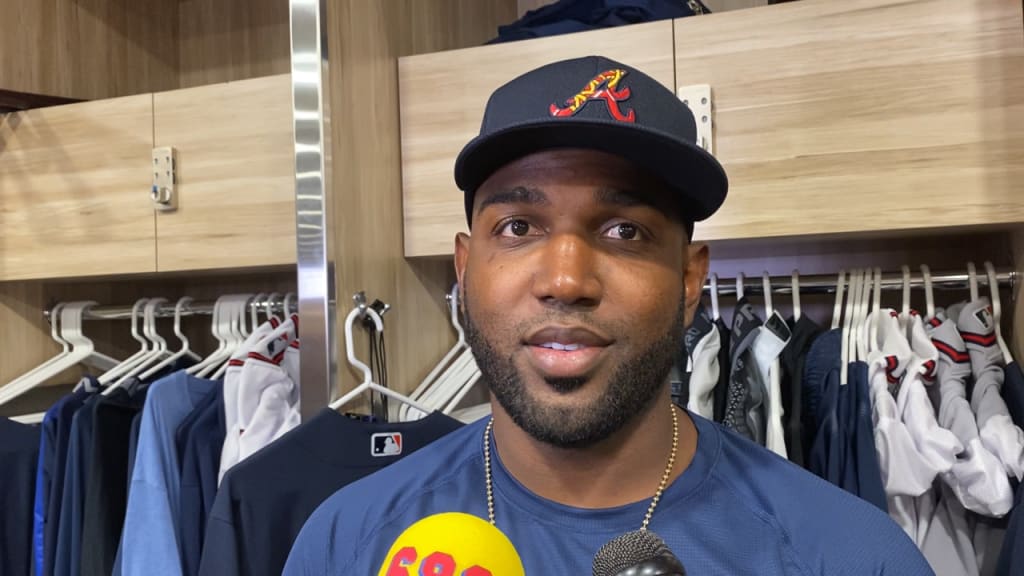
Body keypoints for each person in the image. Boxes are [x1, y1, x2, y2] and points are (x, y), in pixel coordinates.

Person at [283, 55, 934, 575]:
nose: (565, 279)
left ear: (688, 279)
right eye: (517, 226)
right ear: (464, 268)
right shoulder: (347, 542)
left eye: (624, 230)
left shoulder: (849, 556)